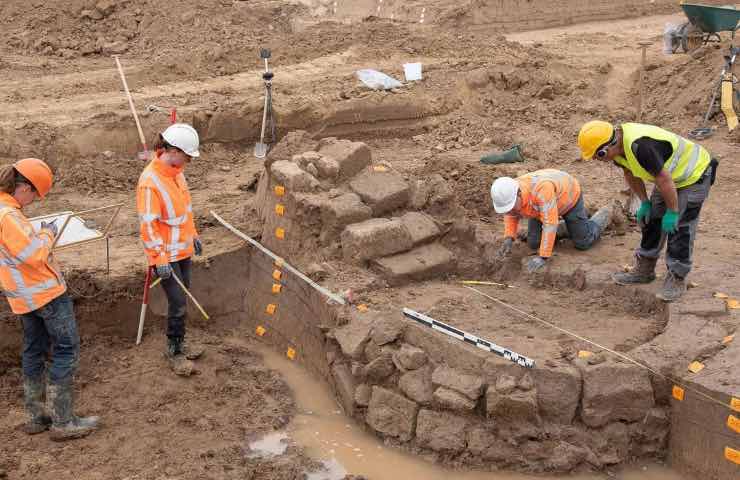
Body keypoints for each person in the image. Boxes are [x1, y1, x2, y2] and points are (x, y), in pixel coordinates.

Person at [0, 158, 99, 440]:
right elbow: (34, 255)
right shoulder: (8, 216)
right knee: (66, 349)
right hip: (45, 295)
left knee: (33, 351)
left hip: (22, 298)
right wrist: (47, 233)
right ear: (24, 187)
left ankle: (38, 416)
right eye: (34, 195)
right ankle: (63, 421)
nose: (32, 201)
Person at [577, 120, 717, 302]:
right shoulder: (617, 150)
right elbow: (630, 173)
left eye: (597, 156)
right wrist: (645, 202)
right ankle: (645, 269)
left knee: (679, 227)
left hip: (694, 174)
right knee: (653, 220)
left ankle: (677, 277)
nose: (597, 160)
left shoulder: (641, 146)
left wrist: (673, 212)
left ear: (606, 148)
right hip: (669, 177)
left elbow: (664, 179)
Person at [136, 123, 204, 375]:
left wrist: (194, 234)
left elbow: (185, 209)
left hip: (183, 250)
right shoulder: (150, 182)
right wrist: (159, 257)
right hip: (164, 256)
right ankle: (174, 351)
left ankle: (180, 341)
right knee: (177, 302)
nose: (188, 160)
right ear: (173, 150)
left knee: (183, 298)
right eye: (187, 155)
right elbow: (148, 224)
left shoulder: (177, 172)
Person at [491, 169, 610, 273]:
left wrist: (543, 257)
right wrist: (509, 238)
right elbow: (511, 214)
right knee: (534, 243)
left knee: (583, 242)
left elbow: (550, 224)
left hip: (569, 197)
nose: (510, 210)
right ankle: (573, 224)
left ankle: (606, 212)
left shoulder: (541, 190)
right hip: (542, 208)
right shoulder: (509, 190)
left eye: (511, 206)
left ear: (519, 194)